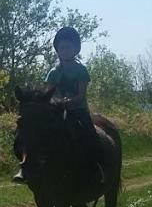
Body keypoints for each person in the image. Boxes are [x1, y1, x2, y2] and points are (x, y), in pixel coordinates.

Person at [13, 26, 104, 187]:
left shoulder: (81, 70)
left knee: (90, 136)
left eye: (68, 47)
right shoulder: (53, 73)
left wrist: (69, 101)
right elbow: (49, 94)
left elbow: (81, 95)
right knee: (29, 135)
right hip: (56, 112)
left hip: (77, 111)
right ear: (57, 50)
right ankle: (26, 167)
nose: (65, 50)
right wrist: (54, 103)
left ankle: (96, 169)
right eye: (62, 47)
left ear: (75, 49)